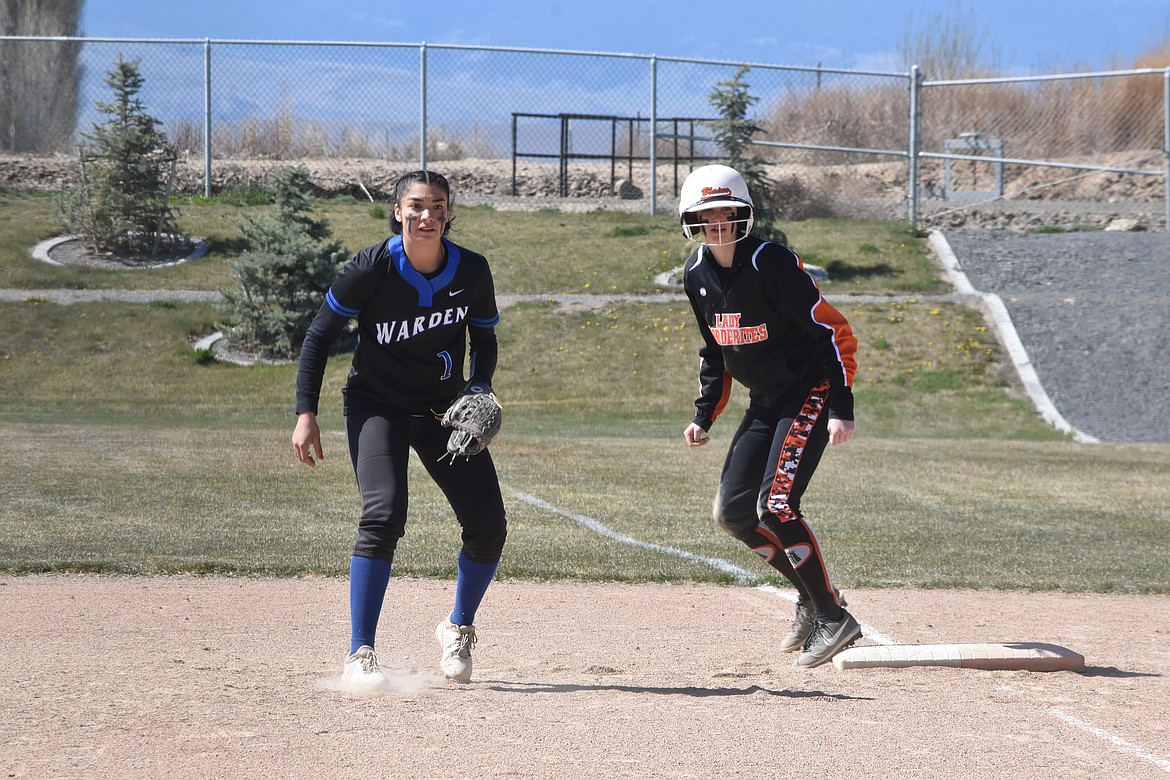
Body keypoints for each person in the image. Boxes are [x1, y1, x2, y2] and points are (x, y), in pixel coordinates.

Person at [292, 170, 506, 688]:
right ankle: (359, 652)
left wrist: (478, 387)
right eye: (416, 206)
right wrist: (306, 413)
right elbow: (320, 336)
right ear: (397, 211)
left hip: (441, 410)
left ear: (449, 213)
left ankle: (457, 626)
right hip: (377, 406)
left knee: (488, 525)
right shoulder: (372, 267)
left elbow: (485, 340)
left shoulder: (472, 270)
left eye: (437, 206)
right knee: (383, 515)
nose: (426, 215)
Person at [677, 164, 861, 669]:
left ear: (744, 215)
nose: (717, 223)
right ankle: (811, 596)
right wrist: (704, 415)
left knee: (776, 505)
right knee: (733, 514)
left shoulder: (770, 262)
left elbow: (832, 332)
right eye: (706, 214)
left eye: (727, 213)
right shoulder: (695, 276)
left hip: (810, 391)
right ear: (690, 220)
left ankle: (833, 617)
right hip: (765, 401)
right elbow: (715, 351)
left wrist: (841, 407)